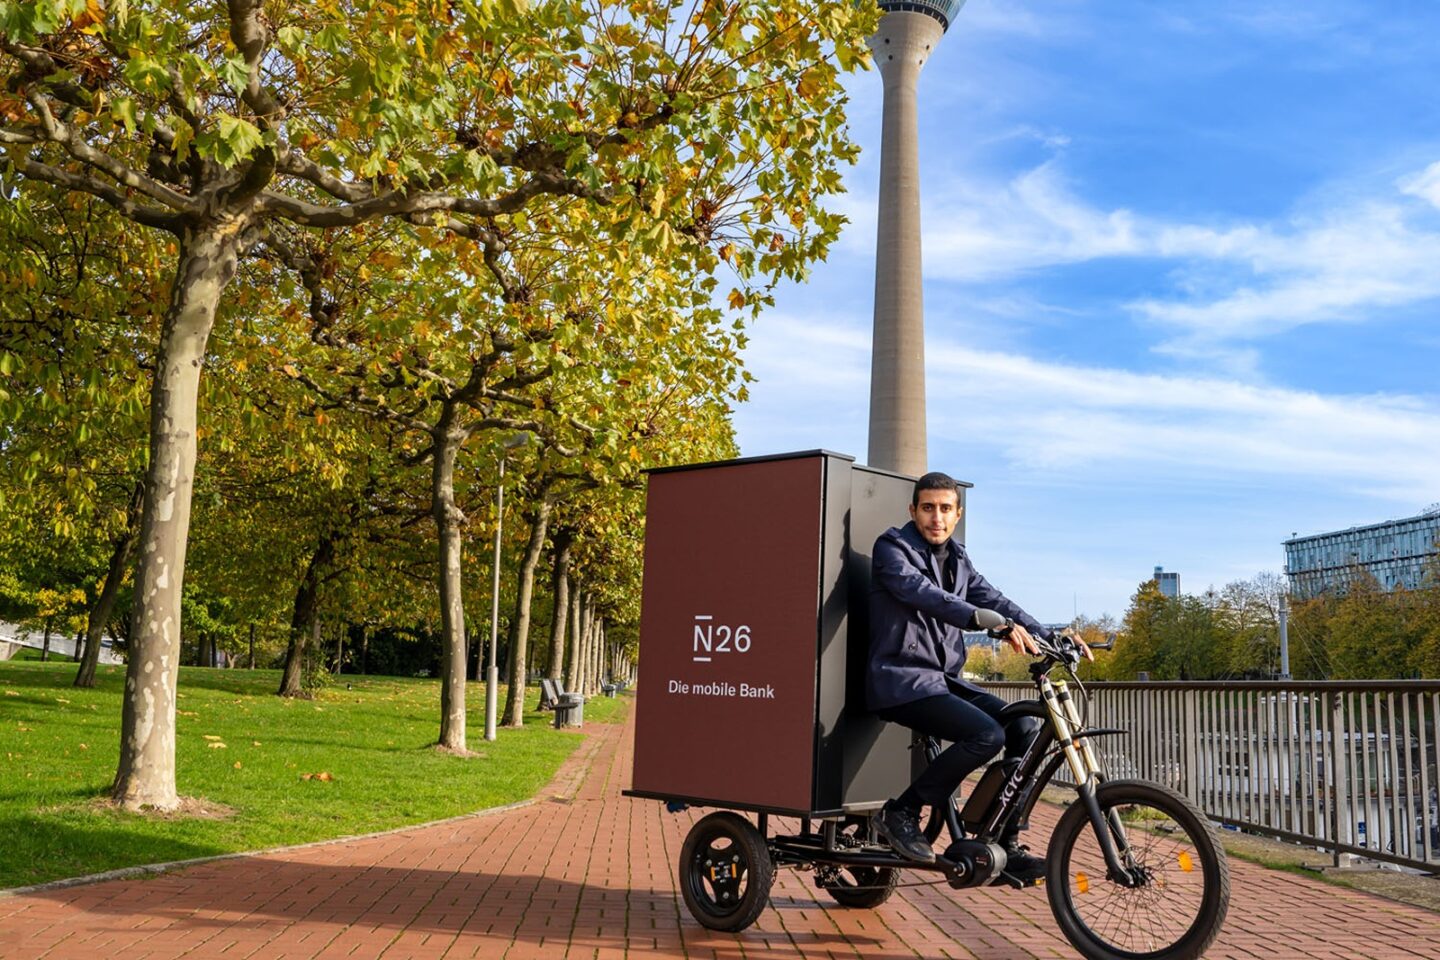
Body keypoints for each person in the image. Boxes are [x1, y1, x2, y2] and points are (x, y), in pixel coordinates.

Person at [867, 471, 1084, 879]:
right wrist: (983, 621)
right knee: (986, 735)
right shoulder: (892, 549)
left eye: (945, 509)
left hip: (943, 680)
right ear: (913, 511)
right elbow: (924, 594)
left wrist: (1052, 635)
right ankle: (902, 811)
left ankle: (1002, 839)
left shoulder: (959, 560)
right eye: (928, 508)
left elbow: (998, 600)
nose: (936, 517)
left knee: (1023, 725)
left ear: (957, 514)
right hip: (901, 679)